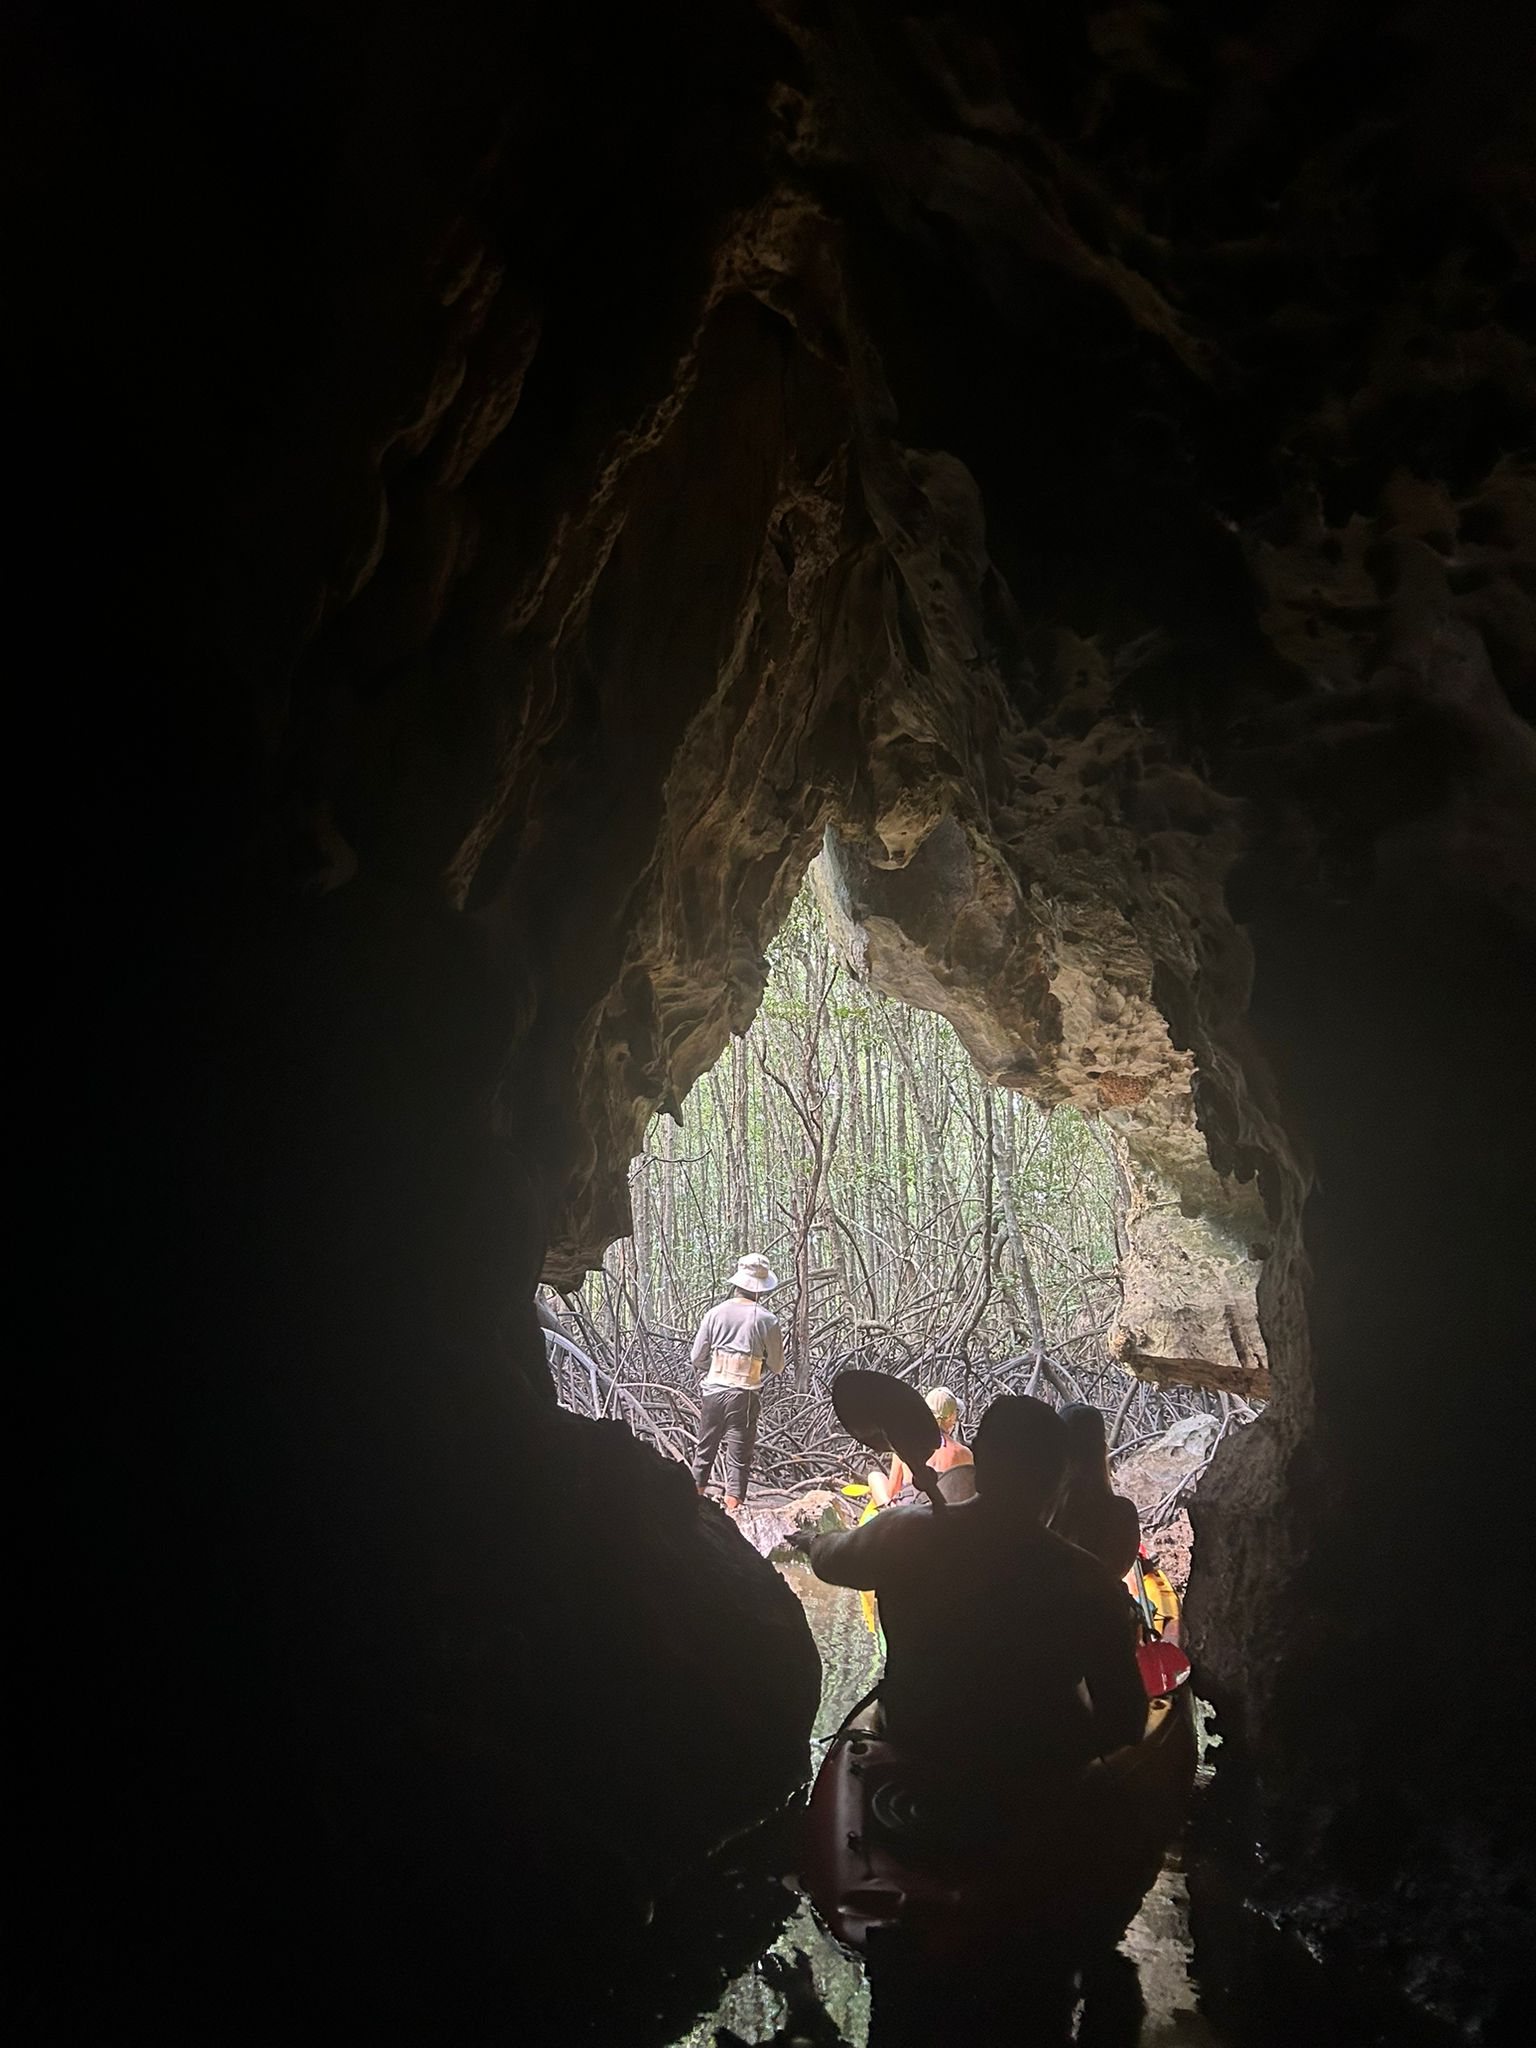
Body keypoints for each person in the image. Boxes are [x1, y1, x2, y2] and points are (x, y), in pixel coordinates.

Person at [804, 1396, 1145, 1775]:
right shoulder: (1091, 1579)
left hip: (916, 1743)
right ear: (1060, 1475)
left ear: (980, 1459)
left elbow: (828, 1561)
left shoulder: (905, 1531)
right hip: (1035, 1770)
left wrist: (813, 1541)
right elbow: (1126, 1721)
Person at [689, 1253, 787, 1510]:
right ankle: (733, 1519)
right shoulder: (767, 1319)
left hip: (713, 1392)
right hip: (743, 1396)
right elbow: (777, 1366)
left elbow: (696, 1357)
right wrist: (757, 1365)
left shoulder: (714, 1313)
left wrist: (719, 1368)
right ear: (761, 1289)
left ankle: (689, 1510)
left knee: (703, 1454)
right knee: (738, 1461)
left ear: (737, 1283)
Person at [1048, 1402, 1142, 1581]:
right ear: (1102, 1449)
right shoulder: (1122, 1514)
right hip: (1100, 1607)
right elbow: (1116, 1573)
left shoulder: (1036, 1510)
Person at [868, 1385, 975, 1506]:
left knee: (875, 1477)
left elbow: (892, 1491)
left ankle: (888, 1510)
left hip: (908, 1510)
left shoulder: (904, 1442)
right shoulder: (964, 1454)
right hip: (941, 1514)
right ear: (951, 1418)